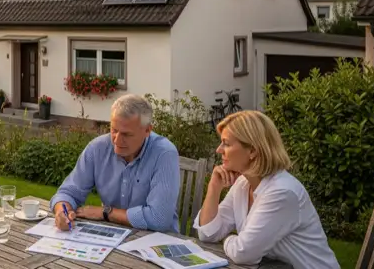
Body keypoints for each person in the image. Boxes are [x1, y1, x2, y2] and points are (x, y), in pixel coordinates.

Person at [194, 110, 339, 268]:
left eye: (226, 143)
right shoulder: (243, 184)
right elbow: (207, 233)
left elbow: (244, 254)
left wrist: (227, 238)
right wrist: (214, 188)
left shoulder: (282, 192)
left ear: (253, 151)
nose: (219, 150)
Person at [50, 93, 180, 233]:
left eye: (126, 134)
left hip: (156, 241)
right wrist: (62, 210)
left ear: (147, 130)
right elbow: (68, 192)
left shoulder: (164, 154)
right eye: (114, 130)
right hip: (113, 234)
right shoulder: (97, 148)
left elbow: (159, 219)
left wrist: (106, 212)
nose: (117, 141)